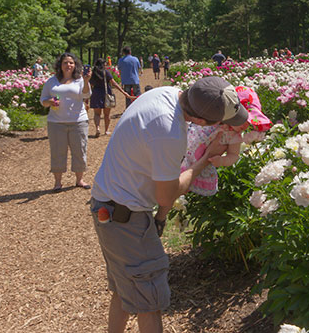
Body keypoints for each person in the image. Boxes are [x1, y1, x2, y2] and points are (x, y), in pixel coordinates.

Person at [89, 76, 248, 333]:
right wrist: (206, 159)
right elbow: (167, 195)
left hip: (109, 206)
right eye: (220, 123)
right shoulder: (169, 131)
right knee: (149, 302)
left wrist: (160, 218)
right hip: (126, 219)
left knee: (125, 290)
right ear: (200, 121)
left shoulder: (166, 93)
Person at [181, 85, 272, 196]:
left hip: (198, 166)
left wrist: (222, 161)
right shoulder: (213, 118)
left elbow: (234, 155)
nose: (246, 125)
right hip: (182, 151)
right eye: (243, 119)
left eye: (249, 121)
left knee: (183, 187)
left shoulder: (234, 136)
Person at [39, 53, 92, 191]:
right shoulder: (52, 81)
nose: (68, 65)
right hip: (56, 122)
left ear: (75, 65)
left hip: (78, 121)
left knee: (79, 150)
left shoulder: (80, 80)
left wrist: (86, 81)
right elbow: (43, 101)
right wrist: (50, 102)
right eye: (65, 63)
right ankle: (58, 182)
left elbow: (86, 95)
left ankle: (79, 180)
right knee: (57, 152)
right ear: (60, 65)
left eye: (71, 63)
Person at [89, 58, 134, 137]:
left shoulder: (93, 73)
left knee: (97, 114)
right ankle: (106, 130)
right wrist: (124, 93)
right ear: (103, 64)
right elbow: (114, 84)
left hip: (96, 94)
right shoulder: (106, 72)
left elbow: (90, 84)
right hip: (106, 94)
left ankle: (98, 128)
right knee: (107, 114)